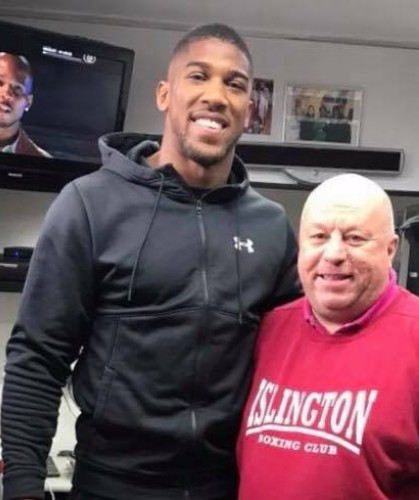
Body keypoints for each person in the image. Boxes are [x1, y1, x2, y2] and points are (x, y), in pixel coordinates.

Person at [1, 24, 301, 500]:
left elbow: (308, 352)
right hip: (110, 485)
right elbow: (38, 357)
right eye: (198, 76)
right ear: (165, 94)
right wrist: (21, 487)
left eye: (235, 84)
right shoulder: (89, 203)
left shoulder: (270, 227)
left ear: (249, 109)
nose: (216, 95)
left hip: (227, 487)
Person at [237, 173, 419, 499]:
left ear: (390, 249)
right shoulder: (266, 332)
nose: (333, 253)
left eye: (355, 238)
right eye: (318, 236)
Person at [0, 51, 51, 157]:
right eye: (0, 83)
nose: (7, 94)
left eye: (17, 89)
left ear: (28, 102)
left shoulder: (41, 160)